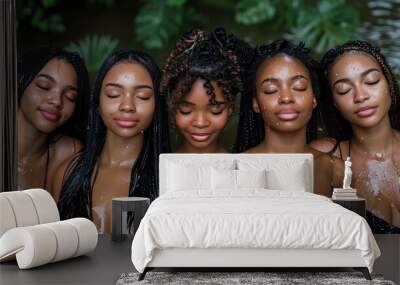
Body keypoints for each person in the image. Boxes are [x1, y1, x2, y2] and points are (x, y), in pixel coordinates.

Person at [53, 50, 170, 234]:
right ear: (98, 103)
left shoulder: (168, 182)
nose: (127, 106)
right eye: (114, 94)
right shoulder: (67, 174)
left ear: (157, 106)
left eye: (143, 96)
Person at [310, 41, 400, 232]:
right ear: (334, 102)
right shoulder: (326, 156)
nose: (360, 96)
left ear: (389, 84)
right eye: (344, 90)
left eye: (372, 81)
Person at [235, 40, 343, 197]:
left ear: (314, 98)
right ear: (256, 103)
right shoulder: (235, 169)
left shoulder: (336, 170)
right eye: (271, 90)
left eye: (299, 87)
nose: (286, 98)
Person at [161, 28, 251, 153]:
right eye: (186, 110)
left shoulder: (242, 170)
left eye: (215, 110)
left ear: (230, 108)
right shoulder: (157, 170)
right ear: (171, 105)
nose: (200, 123)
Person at [17, 47, 90, 193]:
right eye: (44, 86)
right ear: (19, 82)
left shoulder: (68, 153)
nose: (57, 101)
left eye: (70, 96)